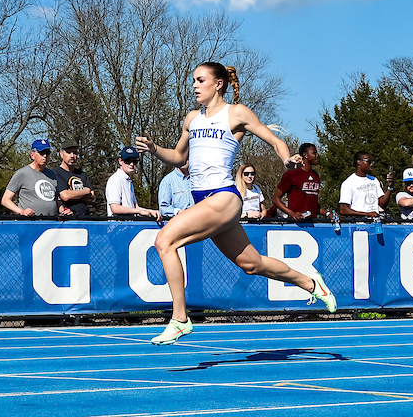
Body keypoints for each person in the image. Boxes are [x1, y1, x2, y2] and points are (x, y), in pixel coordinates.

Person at [135, 61, 336, 345]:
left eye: (200, 80)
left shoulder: (236, 113)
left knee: (164, 240)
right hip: (203, 200)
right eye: (193, 80)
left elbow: (273, 140)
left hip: (224, 197)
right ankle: (311, 283)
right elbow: (180, 158)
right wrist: (155, 149)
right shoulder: (192, 119)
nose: (194, 85)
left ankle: (180, 319)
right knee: (252, 264)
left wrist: (286, 158)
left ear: (218, 84)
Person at [2, 139, 59, 217]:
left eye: (47, 153)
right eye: (41, 153)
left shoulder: (52, 175)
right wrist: (22, 211)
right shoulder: (22, 173)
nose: (45, 156)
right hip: (29, 223)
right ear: (32, 155)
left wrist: (62, 209)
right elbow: (5, 200)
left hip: (51, 224)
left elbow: (56, 200)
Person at [274, 143, 326, 220]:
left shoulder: (315, 175)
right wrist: (291, 213)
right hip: (296, 224)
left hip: (313, 223)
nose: (317, 155)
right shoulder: (291, 174)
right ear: (305, 155)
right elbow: (275, 198)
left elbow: (313, 204)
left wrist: (327, 213)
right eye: (314, 153)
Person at [105, 147, 159, 218]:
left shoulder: (128, 181)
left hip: (129, 225)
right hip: (119, 227)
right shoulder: (115, 180)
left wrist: (151, 211)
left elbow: (135, 207)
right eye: (127, 161)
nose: (131, 164)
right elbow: (115, 208)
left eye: (134, 161)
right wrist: (139, 211)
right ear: (120, 161)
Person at [338, 151, 393, 218]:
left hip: (375, 222)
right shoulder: (349, 183)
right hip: (359, 224)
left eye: (372, 162)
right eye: (369, 162)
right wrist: (365, 214)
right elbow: (343, 209)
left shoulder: (374, 180)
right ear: (359, 162)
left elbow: (382, 204)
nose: (371, 164)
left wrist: (390, 187)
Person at [53, 139, 94, 217]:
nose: (72, 156)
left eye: (74, 153)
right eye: (68, 152)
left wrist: (72, 194)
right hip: (67, 219)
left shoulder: (82, 174)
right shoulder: (56, 173)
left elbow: (92, 198)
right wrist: (85, 191)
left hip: (85, 218)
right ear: (61, 154)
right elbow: (65, 196)